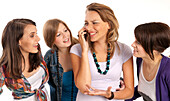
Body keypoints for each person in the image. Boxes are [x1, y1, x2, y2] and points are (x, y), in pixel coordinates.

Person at [70, 3, 134, 101]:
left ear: (109, 24)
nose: (89, 28)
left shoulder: (124, 50)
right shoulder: (77, 50)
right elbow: (84, 87)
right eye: (86, 23)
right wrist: (84, 51)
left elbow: (129, 92)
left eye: (95, 23)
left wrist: (110, 95)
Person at [0, 18, 50, 101]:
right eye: (32, 35)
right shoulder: (4, 68)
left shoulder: (36, 52)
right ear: (18, 41)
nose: (38, 39)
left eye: (36, 34)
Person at [126, 22, 170, 101]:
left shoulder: (168, 70)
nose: (132, 44)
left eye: (138, 42)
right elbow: (143, 89)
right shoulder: (140, 60)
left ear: (154, 48)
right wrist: (124, 93)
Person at [43, 18, 79, 101]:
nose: (65, 36)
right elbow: (38, 81)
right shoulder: (50, 57)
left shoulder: (82, 49)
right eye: (58, 35)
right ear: (51, 40)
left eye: (65, 30)